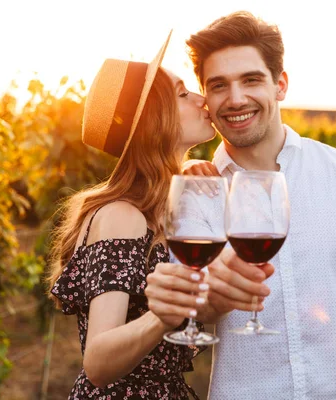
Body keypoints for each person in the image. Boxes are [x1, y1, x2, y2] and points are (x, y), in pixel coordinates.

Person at [145, 11, 336, 400]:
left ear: (280, 85)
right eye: (219, 85)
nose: (236, 98)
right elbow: (190, 316)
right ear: (206, 98)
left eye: (251, 79)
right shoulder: (195, 189)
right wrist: (209, 297)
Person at [47, 32, 223, 399]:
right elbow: (97, 362)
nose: (201, 98)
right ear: (152, 120)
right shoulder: (122, 216)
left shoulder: (160, 209)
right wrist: (163, 316)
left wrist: (183, 173)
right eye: (182, 94)